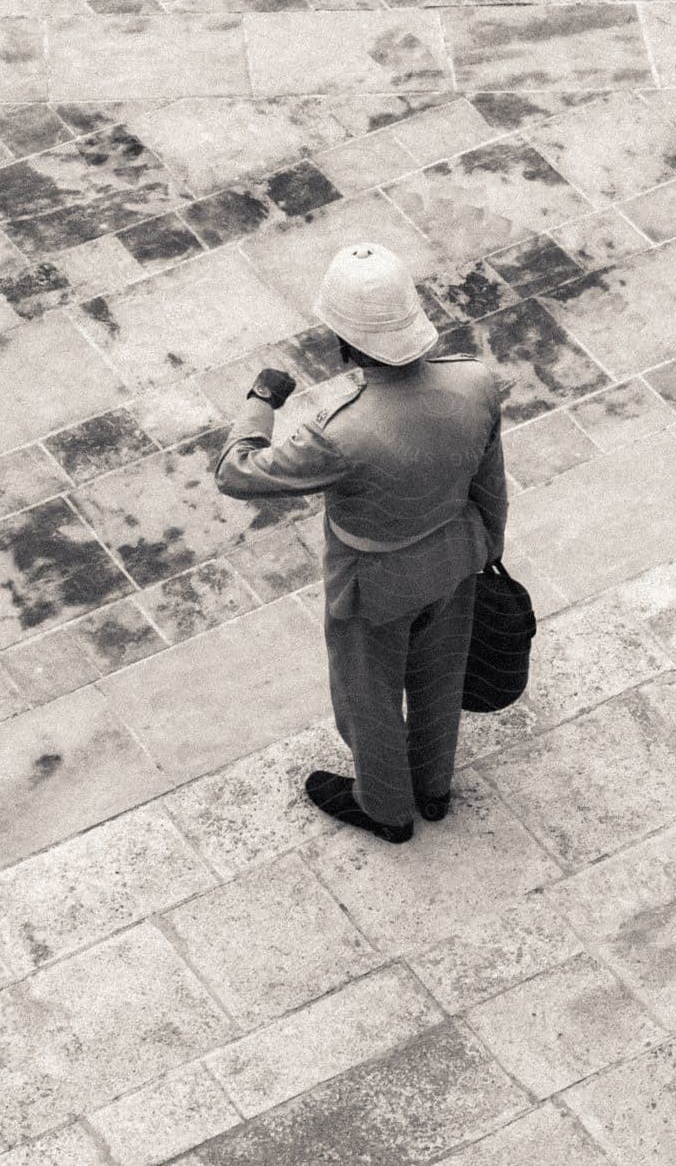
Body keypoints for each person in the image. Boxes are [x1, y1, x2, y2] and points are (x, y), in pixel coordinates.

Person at [215, 242, 507, 844]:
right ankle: (432, 789)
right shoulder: (476, 382)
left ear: (344, 341)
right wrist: (487, 550)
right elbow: (490, 483)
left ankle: (385, 808)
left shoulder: (343, 431)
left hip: (372, 583)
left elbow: (237, 473)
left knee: (368, 697)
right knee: (440, 678)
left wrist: (260, 402)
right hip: (456, 555)